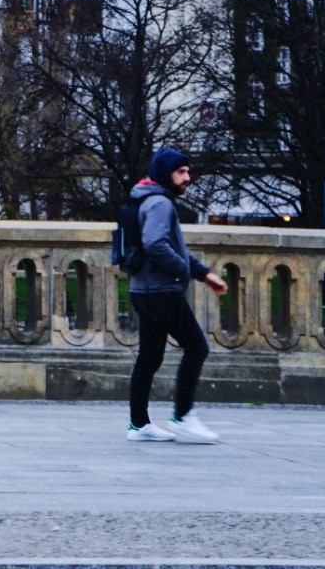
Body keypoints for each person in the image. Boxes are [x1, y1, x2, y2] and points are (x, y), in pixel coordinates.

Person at [125, 147, 228, 444]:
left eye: (187, 172)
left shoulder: (143, 198)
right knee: (197, 347)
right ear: (164, 173)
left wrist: (203, 274)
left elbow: (171, 247)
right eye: (181, 172)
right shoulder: (160, 203)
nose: (187, 178)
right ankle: (183, 417)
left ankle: (139, 425)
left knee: (149, 356)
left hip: (142, 290)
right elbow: (156, 244)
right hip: (162, 292)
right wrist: (183, 270)